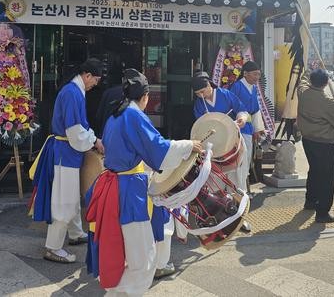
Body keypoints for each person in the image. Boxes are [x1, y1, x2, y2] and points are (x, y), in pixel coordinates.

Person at [84, 70, 206, 295]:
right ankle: (123, 292)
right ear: (145, 96)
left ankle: (116, 291)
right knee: (143, 256)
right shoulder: (134, 116)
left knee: (120, 247)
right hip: (128, 190)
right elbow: (158, 148)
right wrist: (189, 145)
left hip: (112, 185)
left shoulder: (116, 114)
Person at [35, 59, 104, 263]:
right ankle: (53, 247)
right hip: (65, 153)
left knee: (71, 196)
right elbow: (75, 131)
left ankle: (75, 233)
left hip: (67, 151)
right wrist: (95, 140)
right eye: (96, 80)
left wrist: (92, 139)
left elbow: (76, 129)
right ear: (87, 75)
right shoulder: (73, 93)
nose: (95, 84)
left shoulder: (73, 91)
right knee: (64, 201)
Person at [296, 70, 334, 223]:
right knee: (326, 178)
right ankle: (322, 212)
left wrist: (310, 69)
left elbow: (302, 81)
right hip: (324, 144)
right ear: (327, 82)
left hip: (308, 140)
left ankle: (310, 201)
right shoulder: (328, 102)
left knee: (314, 171)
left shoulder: (303, 93)